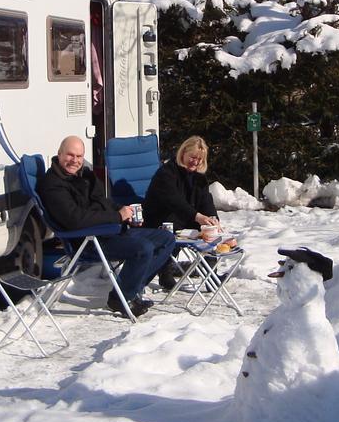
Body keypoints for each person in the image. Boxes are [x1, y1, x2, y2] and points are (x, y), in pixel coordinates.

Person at [38, 135, 175, 317]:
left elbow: (102, 202)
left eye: (79, 156)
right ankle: (119, 299)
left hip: (108, 231)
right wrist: (117, 217)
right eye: (70, 155)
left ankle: (130, 289)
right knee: (143, 249)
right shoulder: (53, 185)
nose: (75, 161)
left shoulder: (83, 175)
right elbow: (75, 219)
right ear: (59, 154)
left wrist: (124, 212)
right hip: (89, 241)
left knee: (166, 238)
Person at [143, 135, 221, 291]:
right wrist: (198, 217)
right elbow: (174, 202)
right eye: (192, 157)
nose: (195, 162)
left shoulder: (198, 176)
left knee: (209, 231)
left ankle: (211, 274)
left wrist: (213, 219)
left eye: (199, 159)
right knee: (180, 223)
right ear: (183, 153)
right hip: (160, 218)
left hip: (183, 217)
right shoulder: (166, 173)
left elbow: (205, 200)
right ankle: (164, 272)